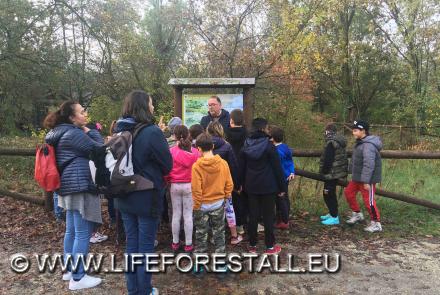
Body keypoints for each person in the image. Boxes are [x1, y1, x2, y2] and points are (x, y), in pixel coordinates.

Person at [114, 90, 172, 295]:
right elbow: (167, 165)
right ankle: (145, 290)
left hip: (124, 194)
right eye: (151, 103)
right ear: (143, 106)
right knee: (146, 245)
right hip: (147, 196)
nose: (153, 107)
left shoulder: (120, 131)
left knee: (132, 244)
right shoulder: (152, 132)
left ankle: (133, 290)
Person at [44, 101, 104, 290]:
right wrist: (89, 129)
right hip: (79, 185)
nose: (85, 114)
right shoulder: (73, 133)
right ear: (71, 117)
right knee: (82, 233)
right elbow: (99, 148)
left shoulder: (59, 133)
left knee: (71, 231)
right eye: (82, 112)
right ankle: (78, 278)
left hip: (67, 186)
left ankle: (69, 270)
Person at [240, 118, 287, 255]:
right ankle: (270, 246)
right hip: (268, 186)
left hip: (251, 186)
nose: (268, 130)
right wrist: (282, 188)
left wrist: (239, 184)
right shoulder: (269, 146)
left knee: (252, 216)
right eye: (267, 128)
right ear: (263, 129)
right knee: (268, 216)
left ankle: (253, 245)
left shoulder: (246, 145)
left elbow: (241, 167)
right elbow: (277, 169)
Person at [192, 133, 233, 278]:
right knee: (219, 234)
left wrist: (196, 205)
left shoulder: (196, 166)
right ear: (213, 146)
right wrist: (226, 195)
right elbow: (229, 183)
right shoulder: (223, 164)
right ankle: (220, 266)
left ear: (198, 149)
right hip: (218, 204)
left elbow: (196, 189)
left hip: (202, 205)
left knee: (201, 235)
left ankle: (199, 266)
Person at [344, 120, 383, 233]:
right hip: (357, 178)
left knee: (369, 201)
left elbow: (369, 164)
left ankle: (376, 223)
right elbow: (357, 160)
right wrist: (351, 171)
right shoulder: (360, 143)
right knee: (348, 193)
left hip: (367, 179)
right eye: (353, 130)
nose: (353, 133)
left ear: (363, 131)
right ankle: (357, 214)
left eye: (356, 130)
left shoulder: (368, 145)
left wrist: (366, 181)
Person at [207, 121, 242, 245]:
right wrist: (237, 185)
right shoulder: (227, 146)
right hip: (223, 184)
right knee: (229, 209)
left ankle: (212, 236)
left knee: (210, 210)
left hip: (207, 184)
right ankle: (233, 236)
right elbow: (234, 166)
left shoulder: (203, 146)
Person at [168, 125, 200, 252]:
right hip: (189, 185)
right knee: (188, 215)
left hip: (175, 185)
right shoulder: (196, 152)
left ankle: (175, 243)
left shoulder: (171, 151)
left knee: (176, 214)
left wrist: (167, 180)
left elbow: (167, 169)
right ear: (188, 135)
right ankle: (188, 243)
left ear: (175, 136)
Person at [318, 123, 348, 225]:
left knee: (328, 193)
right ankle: (332, 213)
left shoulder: (331, 143)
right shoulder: (338, 141)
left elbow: (328, 159)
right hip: (336, 172)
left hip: (331, 173)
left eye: (325, 131)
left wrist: (324, 171)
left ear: (328, 132)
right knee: (330, 193)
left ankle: (334, 217)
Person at [224, 109, 248, 234]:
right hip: (244, 169)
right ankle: (240, 224)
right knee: (241, 197)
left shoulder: (225, 134)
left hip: (227, 169)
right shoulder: (247, 134)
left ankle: (228, 225)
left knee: (228, 198)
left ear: (231, 120)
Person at [269, 126, 295, 230]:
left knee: (280, 199)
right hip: (287, 176)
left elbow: (276, 167)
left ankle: (283, 221)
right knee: (284, 198)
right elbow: (290, 161)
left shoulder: (276, 151)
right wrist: (292, 171)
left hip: (279, 178)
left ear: (273, 138)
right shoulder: (285, 147)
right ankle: (284, 218)